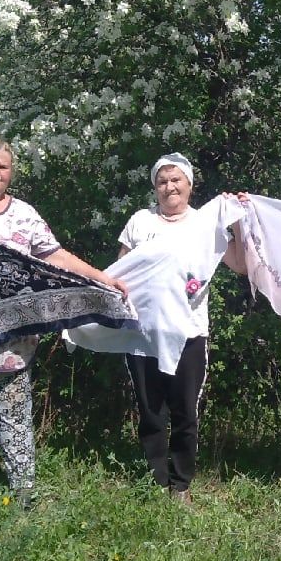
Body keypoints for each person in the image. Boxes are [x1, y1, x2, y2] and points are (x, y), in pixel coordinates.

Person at [0, 137, 125, 508]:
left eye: (3, 167)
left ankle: (24, 490)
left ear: (10, 172)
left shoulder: (24, 214)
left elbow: (55, 255)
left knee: (12, 413)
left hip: (10, 341)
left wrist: (102, 278)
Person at [117, 153, 211, 503]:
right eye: (162, 181)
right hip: (143, 334)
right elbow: (121, 271)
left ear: (189, 184)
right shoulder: (140, 221)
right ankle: (156, 480)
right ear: (155, 188)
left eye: (176, 180)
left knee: (186, 410)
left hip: (188, 332)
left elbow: (235, 263)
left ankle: (181, 483)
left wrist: (241, 221)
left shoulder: (205, 223)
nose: (169, 187)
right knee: (150, 409)